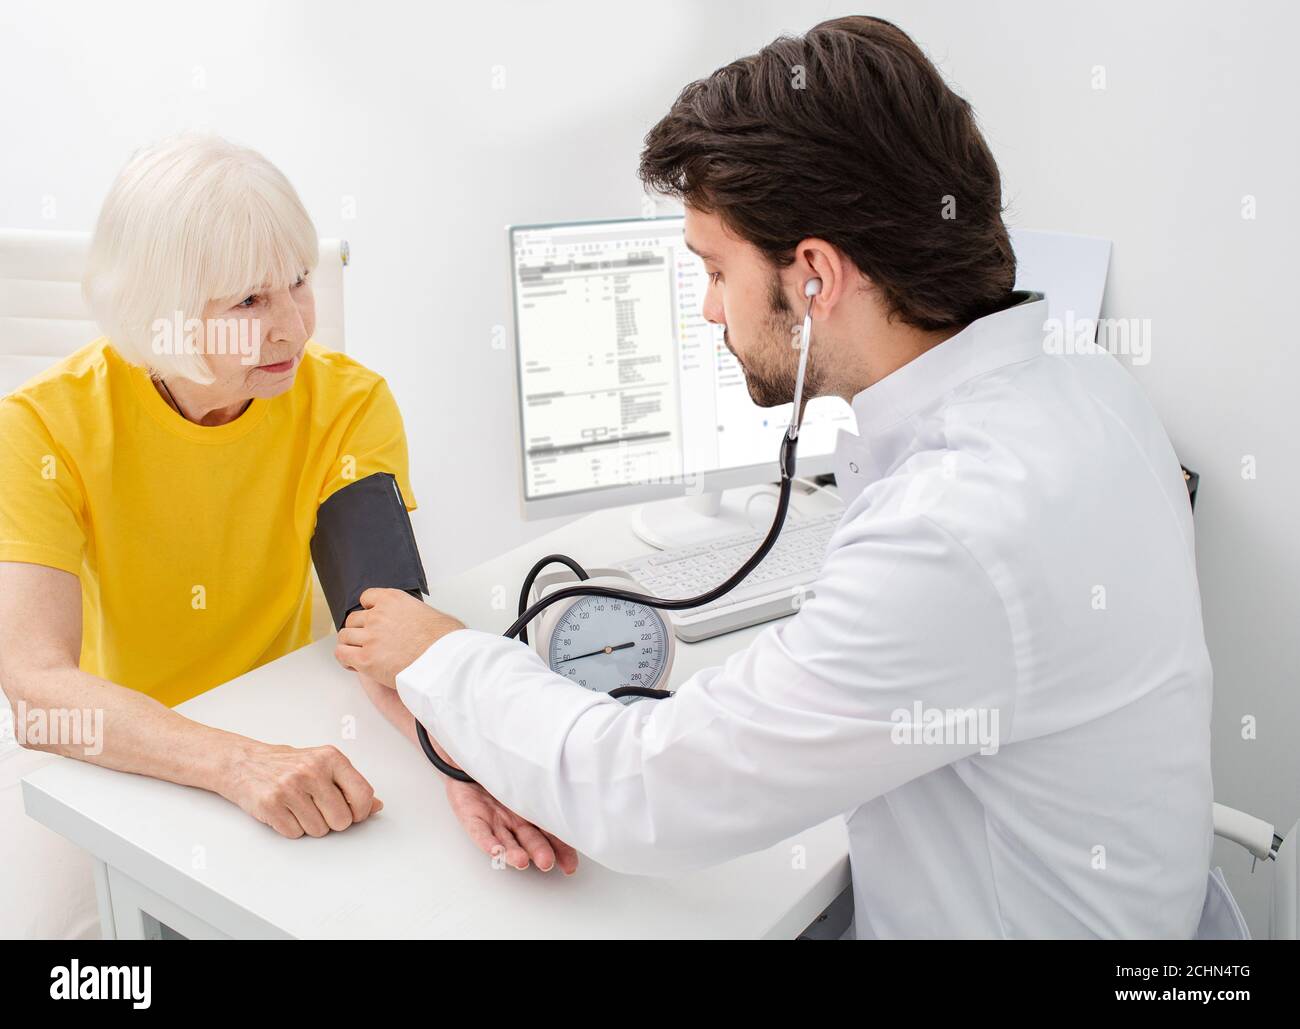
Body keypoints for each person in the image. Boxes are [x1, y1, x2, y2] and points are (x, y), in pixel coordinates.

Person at [336, 17, 1215, 939]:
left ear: (815, 277)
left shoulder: (957, 529)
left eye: (715, 270)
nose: (711, 307)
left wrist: (438, 651)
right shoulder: (1083, 379)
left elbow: (648, 794)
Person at [0, 135, 573, 937]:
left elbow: (383, 625)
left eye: (298, 283)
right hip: (131, 755)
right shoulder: (40, 429)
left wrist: (465, 759)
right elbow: (34, 689)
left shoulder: (348, 404)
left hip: (292, 725)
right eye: (247, 303)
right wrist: (233, 762)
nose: (293, 329)